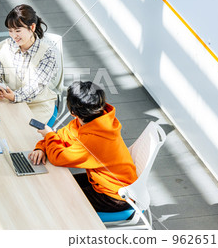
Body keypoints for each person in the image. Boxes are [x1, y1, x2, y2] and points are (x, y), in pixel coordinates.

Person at [28, 81, 137, 212]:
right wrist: (41, 147)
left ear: (72, 112)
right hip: (102, 181)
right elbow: (61, 136)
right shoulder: (95, 119)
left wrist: (48, 135)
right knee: (54, 185)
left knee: (55, 198)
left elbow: (58, 157)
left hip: (115, 196)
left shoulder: (95, 140)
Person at [0, 4, 57, 124]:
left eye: (18, 31)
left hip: (37, 105)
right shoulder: (2, 47)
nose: (14, 36)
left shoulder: (47, 53)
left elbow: (35, 87)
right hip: (6, 102)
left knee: (23, 132)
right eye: (10, 31)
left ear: (32, 27)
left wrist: (14, 96)